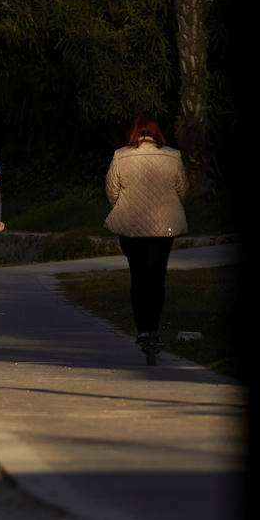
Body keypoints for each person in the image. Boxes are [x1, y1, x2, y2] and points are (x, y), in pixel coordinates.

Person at [104, 113, 188, 354]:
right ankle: (154, 329)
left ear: (135, 131)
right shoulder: (173, 156)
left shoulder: (120, 156)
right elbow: (182, 189)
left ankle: (142, 331)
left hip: (132, 228)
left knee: (138, 277)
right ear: (156, 132)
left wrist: (126, 207)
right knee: (157, 277)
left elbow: (112, 191)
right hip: (164, 229)